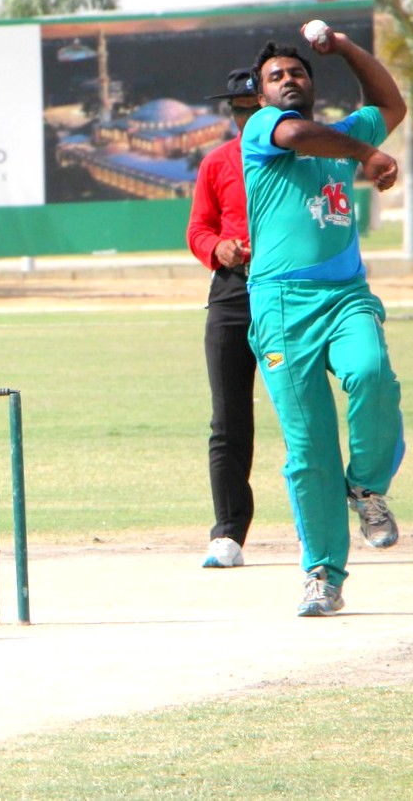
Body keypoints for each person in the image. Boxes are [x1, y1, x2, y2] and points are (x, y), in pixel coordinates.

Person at [240, 29, 408, 617]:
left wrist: (344, 46)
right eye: (276, 76)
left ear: (312, 83)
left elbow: (391, 105)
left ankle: (366, 486)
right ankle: (323, 574)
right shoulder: (263, 129)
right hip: (281, 306)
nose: (288, 80)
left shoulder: (342, 136)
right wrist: (367, 155)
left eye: (298, 72)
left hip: (345, 295)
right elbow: (296, 136)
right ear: (261, 94)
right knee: (309, 449)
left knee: (371, 373)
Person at [186, 67, 261, 569]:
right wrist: (219, 248)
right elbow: (197, 229)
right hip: (232, 292)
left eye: (254, 108)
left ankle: (321, 524)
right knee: (228, 419)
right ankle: (228, 533)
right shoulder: (217, 162)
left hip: (288, 290)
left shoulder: (298, 155)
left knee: (304, 413)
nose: (246, 118)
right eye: (238, 110)